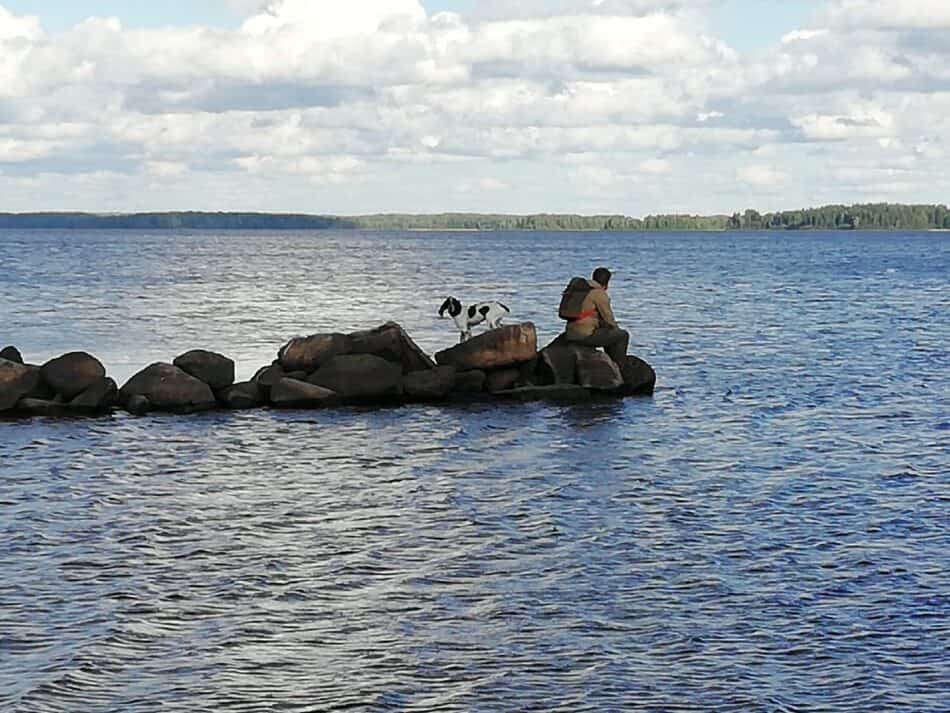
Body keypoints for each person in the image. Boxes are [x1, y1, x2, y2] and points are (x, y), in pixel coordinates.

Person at [564, 267, 629, 365]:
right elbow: (609, 320)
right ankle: (618, 365)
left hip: (570, 333)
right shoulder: (599, 293)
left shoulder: (580, 289)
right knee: (622, 335)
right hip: (585, 336)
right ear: (607, 282)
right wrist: (616, 329)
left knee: (608, 333)